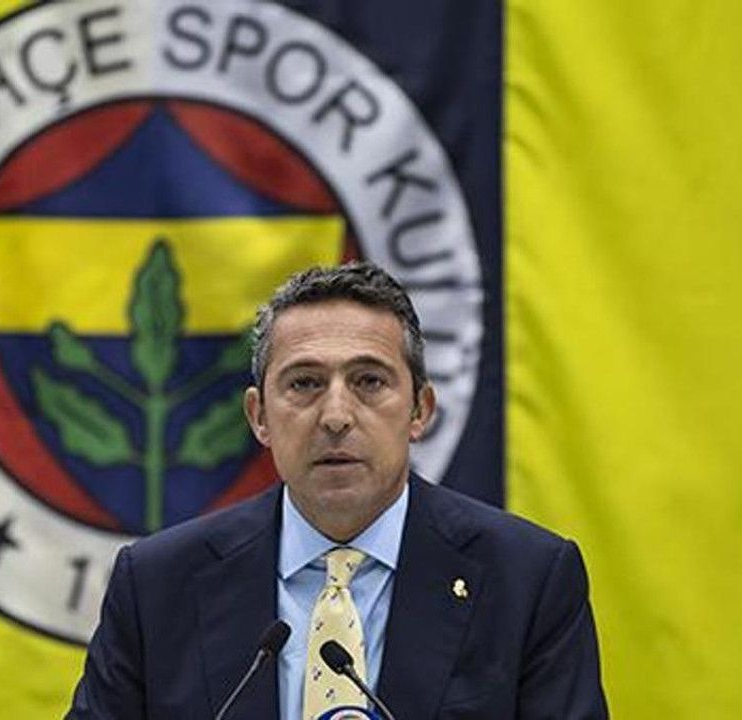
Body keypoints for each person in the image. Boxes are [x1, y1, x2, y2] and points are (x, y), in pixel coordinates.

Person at [68, 263, 608, 719]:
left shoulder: (527, 581)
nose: (335, 416)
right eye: (304, 383)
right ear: (259, 416)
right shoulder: (158, 586)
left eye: (369, 381)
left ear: (419, 410)